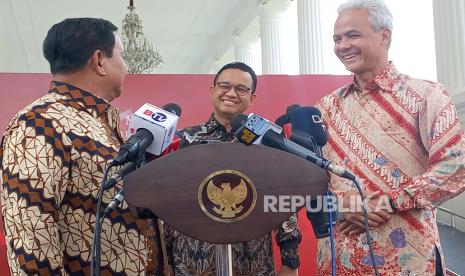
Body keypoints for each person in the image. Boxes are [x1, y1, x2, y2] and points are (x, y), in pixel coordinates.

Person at [0, 18, 166, 275]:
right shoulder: (39, 123)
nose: (127, 67)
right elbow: (31, 239)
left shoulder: (98, 123)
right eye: (121, 57)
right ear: (99, 60)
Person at [315, 0, 465, 275]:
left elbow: (456, 168)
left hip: (410, 259)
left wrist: (388, 200)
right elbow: (309, 182)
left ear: (384, 36)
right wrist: (339, 205)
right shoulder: (324, 109)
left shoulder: (426, 95)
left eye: (352, 35)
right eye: (337, 39)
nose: (342, 45)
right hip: (339, 260)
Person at [164, 62, 301, 276]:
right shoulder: (184, 140)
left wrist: (290, 261)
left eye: (241, 89)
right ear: (212, 91)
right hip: (191, 261)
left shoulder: (267, 143)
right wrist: (166, 259)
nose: (231, 93)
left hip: (252, 261)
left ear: (252, 98)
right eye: (224, 86)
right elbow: (168, 203)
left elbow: (283, 200)